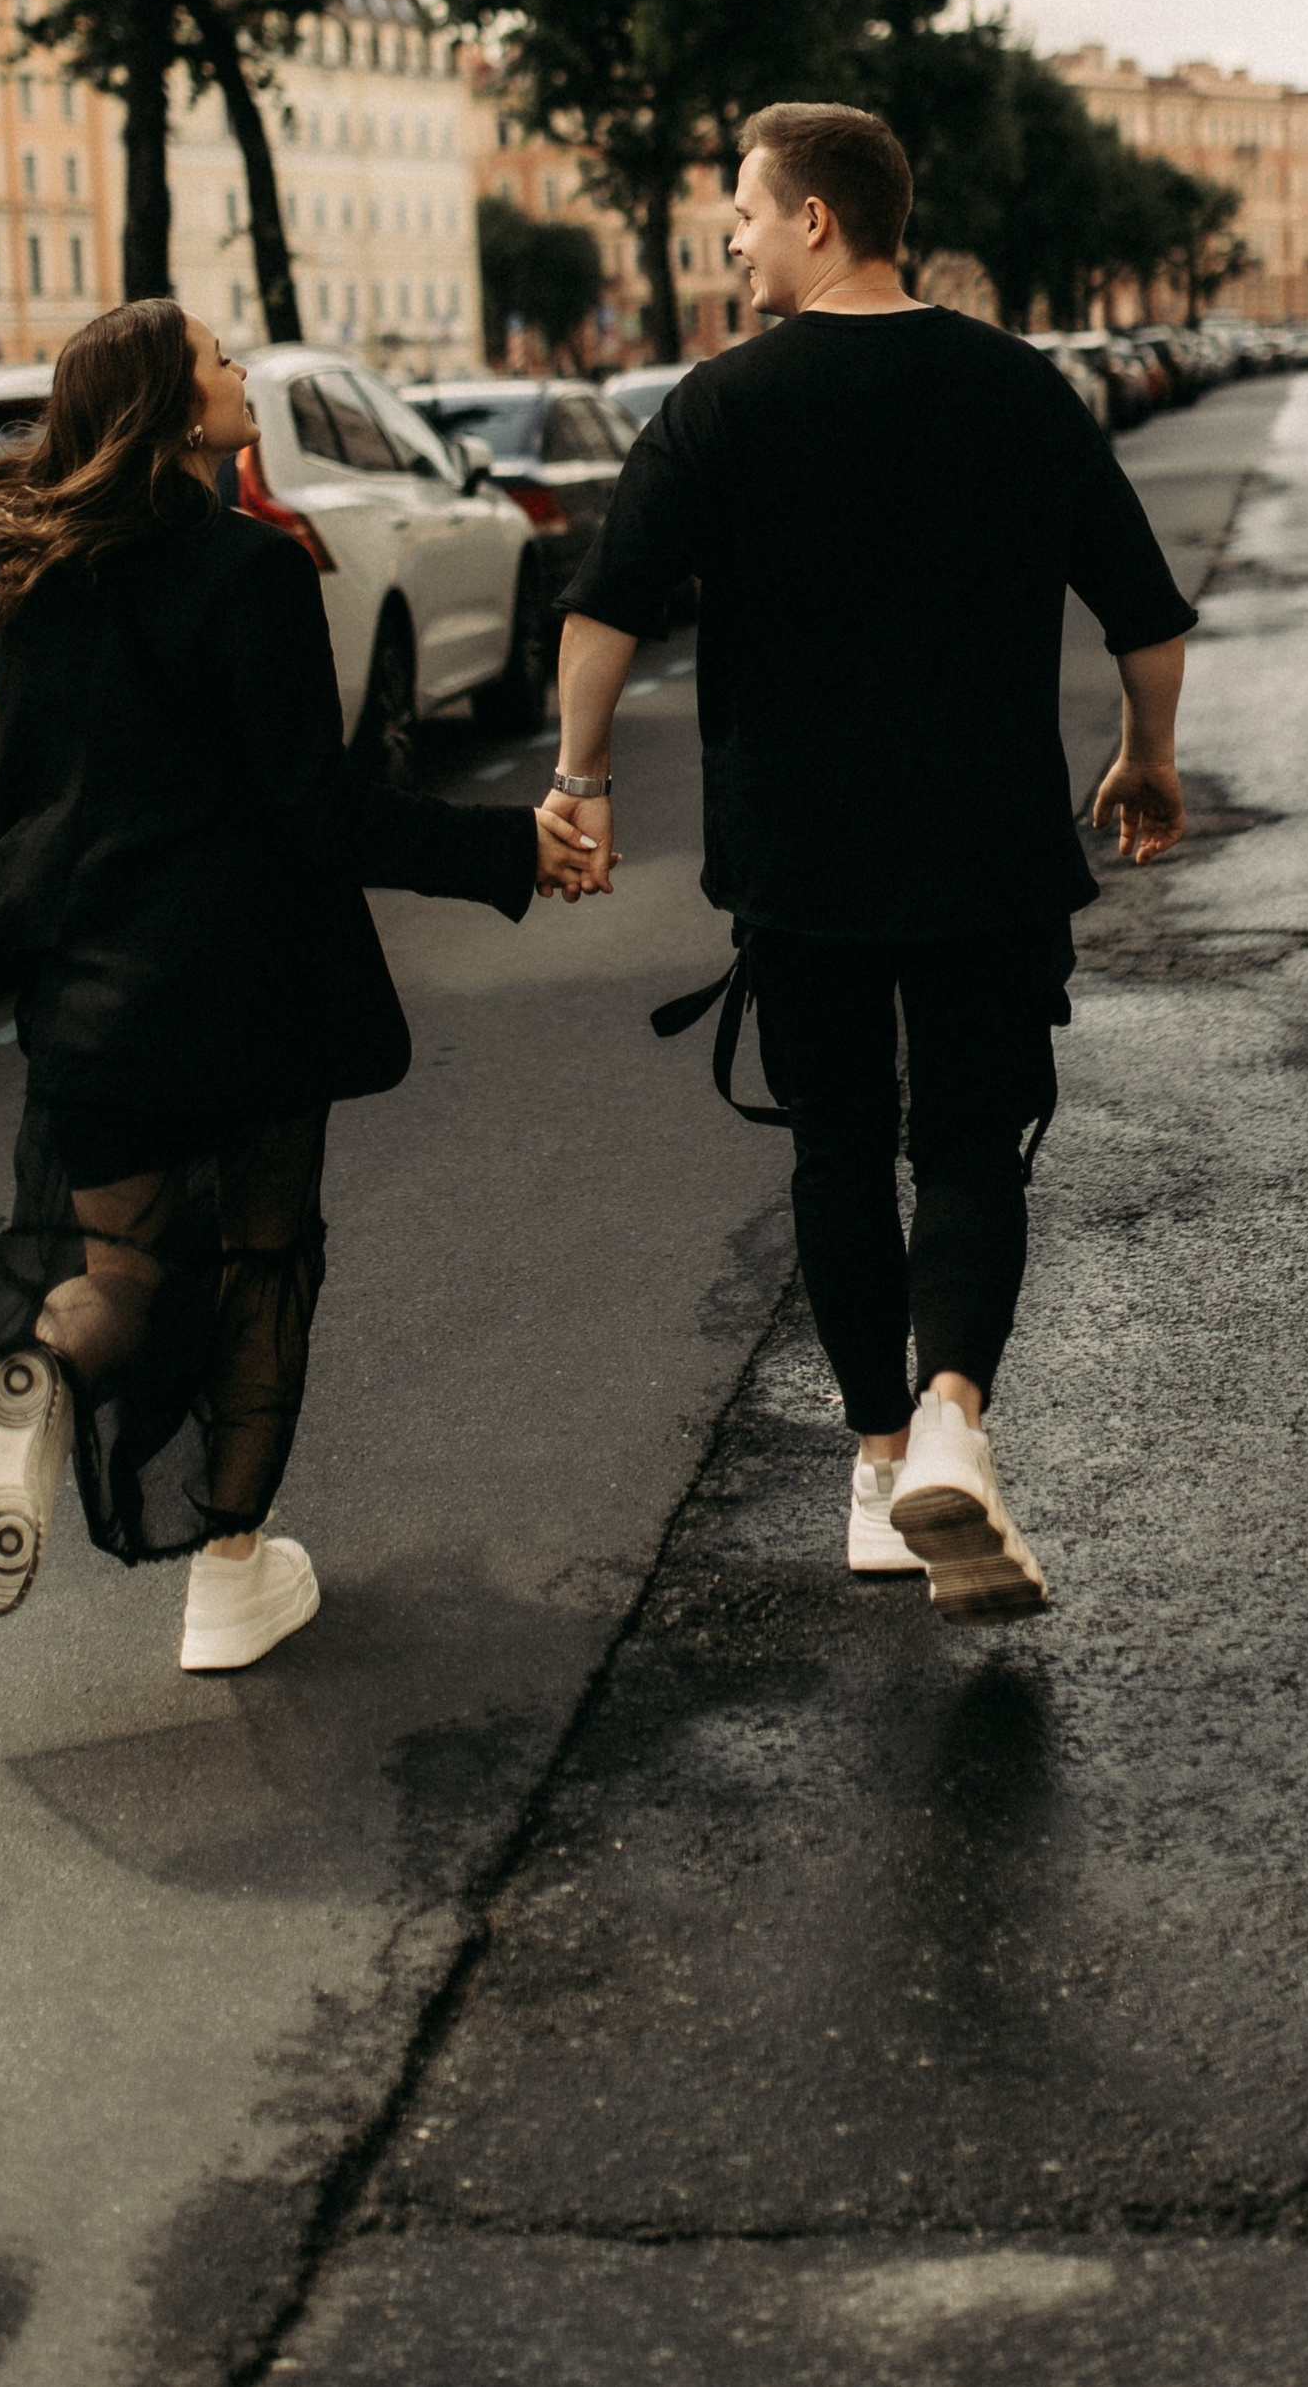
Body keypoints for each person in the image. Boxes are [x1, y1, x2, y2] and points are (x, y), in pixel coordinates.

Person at [547, 102, 1196, 1623]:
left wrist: (580, 782)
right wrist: (1144, 752)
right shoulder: (1019, 388)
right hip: (983, 839)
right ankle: (957, 1416)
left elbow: (603, 608)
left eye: (746, 212)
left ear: (818, 220)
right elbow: (1146, 615)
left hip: (800, 851)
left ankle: (874, 1466)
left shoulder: (718, 405)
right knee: (971, 1141)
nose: (730, 237)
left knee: (836, 1149)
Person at [0, 300, 594, 1669]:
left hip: (94, 986)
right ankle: (227, 1575)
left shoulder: (33, 585)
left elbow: (38, 791)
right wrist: (513, 845)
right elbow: (316, 808)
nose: (238, 372)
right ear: (169, 405)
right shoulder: (250, 571)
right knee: (265, 1261)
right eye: (217, 358)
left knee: (117, 1273)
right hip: (249, 986)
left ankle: (33, 1379)